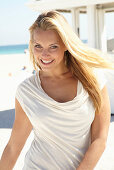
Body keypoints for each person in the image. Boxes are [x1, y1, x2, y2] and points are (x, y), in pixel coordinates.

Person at [0, 10, 114, 170]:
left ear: (66, 45)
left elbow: (100, 140)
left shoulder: (93, 81)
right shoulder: (26, 91)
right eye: (38, 46)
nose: (44, 54)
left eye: (53, 46)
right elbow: (13, 147)